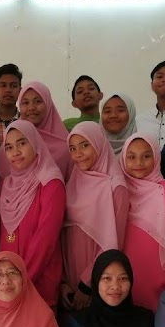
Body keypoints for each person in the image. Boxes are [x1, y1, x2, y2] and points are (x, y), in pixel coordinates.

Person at [0, 120, 65, 307]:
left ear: (35, 143)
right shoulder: (6, 184)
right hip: (7, 281)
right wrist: (5, 279)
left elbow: (46, 238)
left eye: (22, 143)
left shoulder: (51, 183)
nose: (15, 152)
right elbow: (1, 235)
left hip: (38, 277)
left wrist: (23, 278)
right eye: (9, 147)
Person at [61, 122, 129, 312]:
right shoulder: (73, 182)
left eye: (85, 145)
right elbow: (63, 236)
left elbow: (114, 243)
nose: (78, 154)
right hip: (70, 278)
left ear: (99, 143)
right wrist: (63, 281)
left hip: (97, 279)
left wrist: (87, 284)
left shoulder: (116, 187)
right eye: (72, 148)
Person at [120, 133, 165, 311]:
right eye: (131, 157)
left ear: (157, 157)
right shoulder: (119, 191)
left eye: (146, 156)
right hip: (124, 276)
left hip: (161, 281)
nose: (139, 162)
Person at [14, 81, 72, 177]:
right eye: (25, 103)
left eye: (38, 101)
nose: (31, 108)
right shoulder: (12, 141)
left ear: (48, 104)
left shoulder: (66, 147)